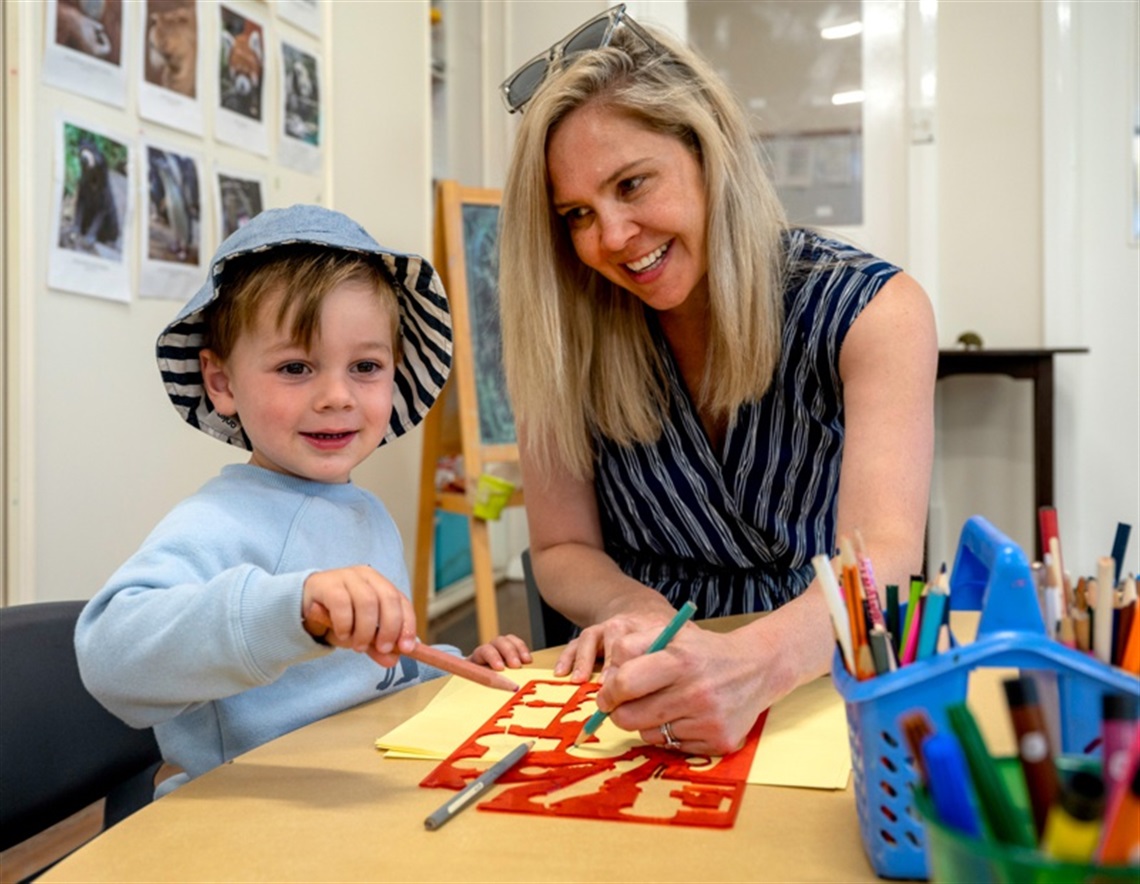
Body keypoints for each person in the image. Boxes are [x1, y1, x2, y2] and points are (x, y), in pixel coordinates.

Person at [497, 5, 936, 757]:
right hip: (635, 685)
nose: (608, 239)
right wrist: (638, 613)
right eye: (575, 214)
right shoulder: (561, 333)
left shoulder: (874, 311)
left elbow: (885, 554)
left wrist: (753, 665)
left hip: (813, 664)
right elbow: (563, 547)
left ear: (710, 154)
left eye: (633, 184)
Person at [76, 205, 530, 795]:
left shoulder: (366, 513)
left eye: (365, 366)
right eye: (295, 367)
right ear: (221, 383)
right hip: (240, 819)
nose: (337, 396)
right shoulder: (217, 521)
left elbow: (379, 667)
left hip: (360, 794)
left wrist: (461, 665)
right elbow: (110, 656)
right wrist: (290, 610)